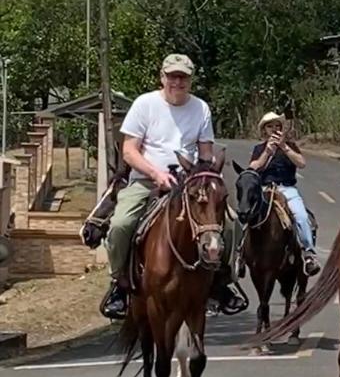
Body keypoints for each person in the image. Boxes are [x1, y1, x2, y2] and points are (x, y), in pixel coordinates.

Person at [101, 53, 246, 320]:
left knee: (230, 223)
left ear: (190, 81)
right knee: (121, 223)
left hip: (189, 182)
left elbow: (205, 152)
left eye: (183, 77)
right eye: (172, 76)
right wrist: (156, 173)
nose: (177, 82)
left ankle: (221, 282)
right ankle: (119, 285)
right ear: (162, 77)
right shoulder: (144, 104)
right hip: (146, 180)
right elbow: (130, 151)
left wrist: (209, 175)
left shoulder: (201, 108)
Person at [248, 112, 320, 276]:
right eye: (270, 126)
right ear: (264, 130)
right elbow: (253, 167)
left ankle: (308, 254)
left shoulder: (290, 146)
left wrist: (284, 148)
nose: (274, 129)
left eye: (277, 126)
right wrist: (267, 152)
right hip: (264, 189)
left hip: (287, 189)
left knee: (301, 216)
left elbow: (301, 163)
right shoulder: (259, 148)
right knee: (246, 214)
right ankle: (239, 255)